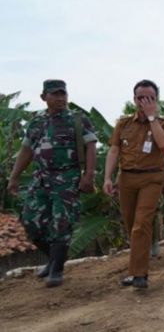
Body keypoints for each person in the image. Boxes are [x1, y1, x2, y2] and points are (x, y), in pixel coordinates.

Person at [7, 79, 97, 288]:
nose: (60, 98)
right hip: (40, 178)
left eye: (63, 94)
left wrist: (88, 175)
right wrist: (14, 177)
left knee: (61, 223)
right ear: (44, 97)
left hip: (67, 179)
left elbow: (91, 146)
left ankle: (56, 270)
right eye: (55, 94)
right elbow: (26, 151)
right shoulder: (36, 121)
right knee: (31, 221)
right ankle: (55, 259)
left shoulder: (77, 120)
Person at [103, 79, 164, 289]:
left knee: (141, 224)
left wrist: (152, 117)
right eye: (140, 97)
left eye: (149, 97)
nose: (144, 101)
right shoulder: (123, 123)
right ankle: (136, 271)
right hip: (126, 179)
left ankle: (139, 274)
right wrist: (107, 177)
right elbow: (114, 150)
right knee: (131, 224)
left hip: (151, 178)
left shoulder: (163, 123)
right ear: (134, 99)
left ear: (156, 99)